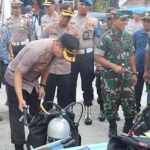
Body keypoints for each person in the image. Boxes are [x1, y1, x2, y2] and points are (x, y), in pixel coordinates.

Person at [4, 33, 79, 150]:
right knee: (19, 115)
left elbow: (47, 66)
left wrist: (42, 85)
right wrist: (20, 99)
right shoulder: (36, 51)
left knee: (36, 114)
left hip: (31, 79)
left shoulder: (55, 52)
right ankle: (19, 146)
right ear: (58, 45)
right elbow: (18, 74)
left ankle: (35, 143)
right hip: (15, 77)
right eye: (64, 55)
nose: (64, 58)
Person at [94, 10, 137, 138]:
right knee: (110, 102)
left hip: (126, 75)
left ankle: (128, 127)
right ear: (114, 21)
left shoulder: (128, 36)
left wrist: (134, 72)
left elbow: (131, 55)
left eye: (126, 20)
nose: (125, 22)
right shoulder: (105, 37)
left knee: (130, 101)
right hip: (110, 76)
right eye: (122, 20)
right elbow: (97, 57)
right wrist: (114, 66)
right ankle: (112, 127)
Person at [69, 0, 101, 125]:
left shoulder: (94, 21)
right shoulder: (70, 19)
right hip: (71, 55)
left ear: (89, 6)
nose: (83, 7)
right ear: (77, 5)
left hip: (87, 55)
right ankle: (70, 112)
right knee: (70, 83)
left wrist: (98, 63)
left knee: (87, 84)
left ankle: (88, 111)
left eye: (86, 5)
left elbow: (97, 42)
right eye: (81, 4)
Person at [42, 3, 78, 108]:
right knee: (48, 98)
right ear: (59, 13)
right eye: (65, 15)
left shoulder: (74, 31)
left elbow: (75, 50)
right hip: (50, 69)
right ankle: (46, 121)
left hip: (65, 69)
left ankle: (63, 120)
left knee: (63, 99)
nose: (67, 19)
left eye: (69, 16)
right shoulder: (49, 28)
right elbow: (42, 46)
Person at [95, 7, 120, 122]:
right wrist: (97, 64)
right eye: (108, 18)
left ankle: (115, 111)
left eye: (112, 18)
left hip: (115, 65)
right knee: (101, 88)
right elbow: (96, 46)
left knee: (117, 90)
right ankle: (102, 109)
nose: (110, 20)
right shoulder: (101, 29)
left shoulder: (119, 30)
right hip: (102, 64)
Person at [134, 11, 150, 115]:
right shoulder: (136, 34)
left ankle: (148, 113)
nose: (146, 23)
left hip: (149, 69)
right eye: (144, 21)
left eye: (148, 21)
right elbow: (133, 50)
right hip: (138, 66)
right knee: (137, 91)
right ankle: (136, 111)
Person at [0, 24, 14, 107]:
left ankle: (9, 100)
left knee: (9, 81)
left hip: (4, 60)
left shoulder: (5, 30)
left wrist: (11, 55)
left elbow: (9, 44)